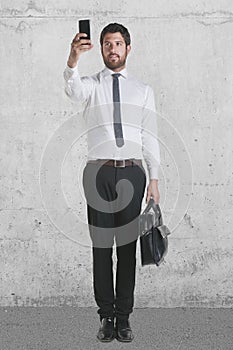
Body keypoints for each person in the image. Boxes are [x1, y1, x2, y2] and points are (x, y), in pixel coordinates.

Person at [63, 22, 160, 343]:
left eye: (118, 43)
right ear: (102, 49)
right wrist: (73, 59)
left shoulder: (143, 90)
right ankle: (106, 316)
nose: (112, 49)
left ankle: (124, 316)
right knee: (102, 248)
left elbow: (150, 136)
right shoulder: (91, 85)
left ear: (128, 48)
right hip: (98, 174)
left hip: (133, 173)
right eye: (107, 44)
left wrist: (154, 178)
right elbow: (72, 90)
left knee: (128, 249)